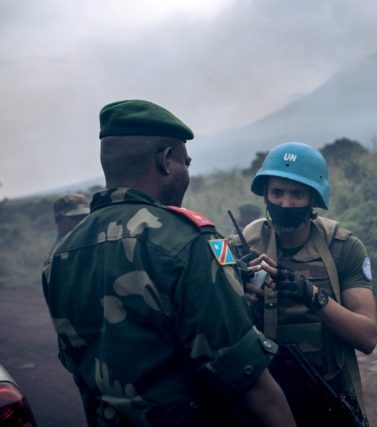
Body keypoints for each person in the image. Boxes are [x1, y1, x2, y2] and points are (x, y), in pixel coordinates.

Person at [41, 100, 295, 426]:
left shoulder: (59, 258)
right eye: (185, 162)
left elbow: (81, 365)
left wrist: (231, 279)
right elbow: (248, 380)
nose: (187, 173)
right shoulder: (189, 240)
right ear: (166, 161)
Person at [235, 141, 377, 426]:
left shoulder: (343, 248)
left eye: (297, 194)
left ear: (314, 198)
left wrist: (311, 295)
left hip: (325, 392)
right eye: (277, 192)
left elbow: (367, 337)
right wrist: (239, 298)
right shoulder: (240, 247)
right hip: (262, 399)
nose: (285, 203)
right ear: (265, 194)